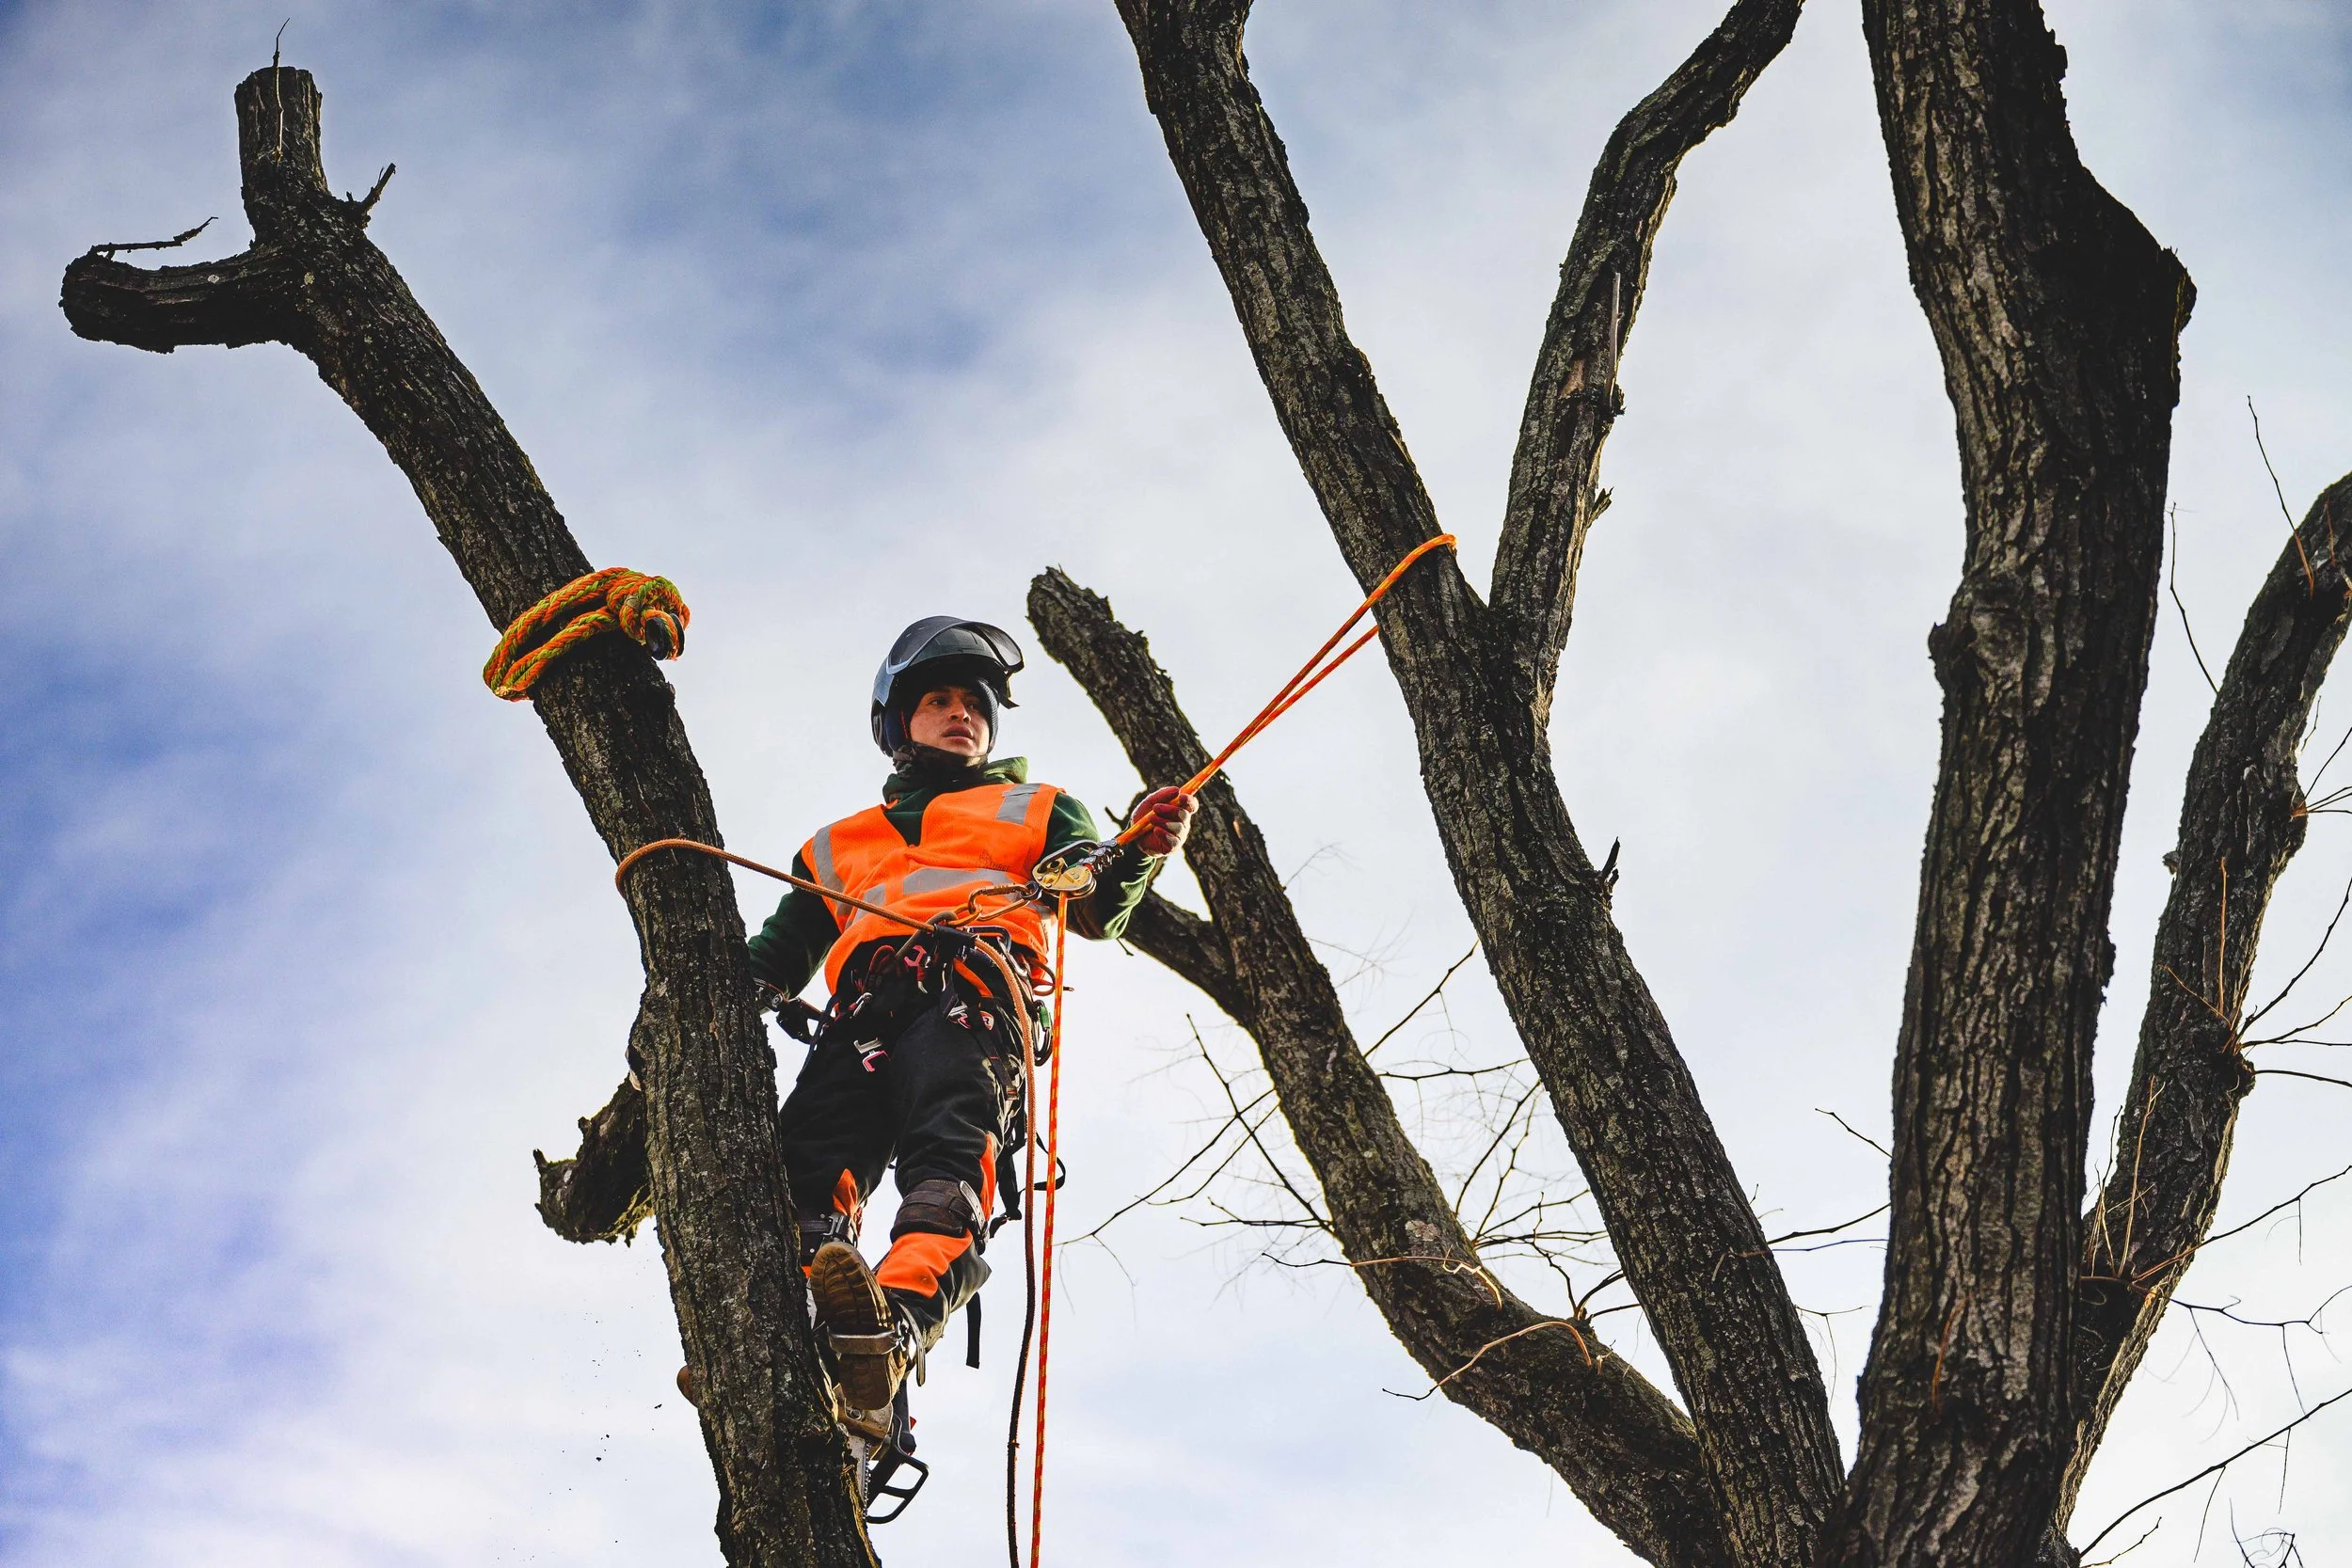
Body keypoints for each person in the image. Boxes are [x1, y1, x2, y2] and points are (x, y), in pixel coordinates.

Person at [745, 616, 1195, 1417]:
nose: (963, 714)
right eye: (940, 699)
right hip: (859, 1020)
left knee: (947, 1169)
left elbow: (1093, 902)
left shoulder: (1042, 807)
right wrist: (727, 995)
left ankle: (895, 1326)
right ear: (898, 725)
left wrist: (1140, 849)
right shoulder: (836, 844)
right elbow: (778, 953)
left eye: (976, 704)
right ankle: (804, 1325)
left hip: (973, 1003)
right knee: (802, 1174)